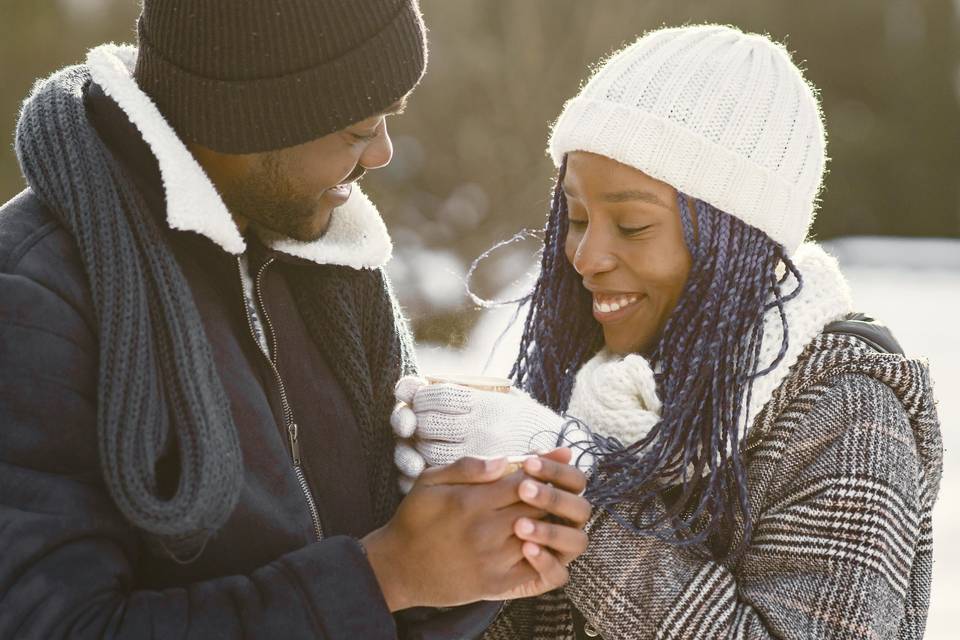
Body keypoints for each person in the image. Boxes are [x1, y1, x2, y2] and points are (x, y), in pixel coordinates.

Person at [0, 1, 591, 638]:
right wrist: (383, 576)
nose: (384, 154)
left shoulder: (328, 258)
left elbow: (396, 584)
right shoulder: (36, 294)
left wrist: (481, 538)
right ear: (249, 115)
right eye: (359, 129)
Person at [394, 25, 943, 639]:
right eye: (575, 217)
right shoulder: (590, 378)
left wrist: (574, 493)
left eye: (631, 225)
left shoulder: (845, 413)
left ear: (735, 240)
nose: (585, 255)